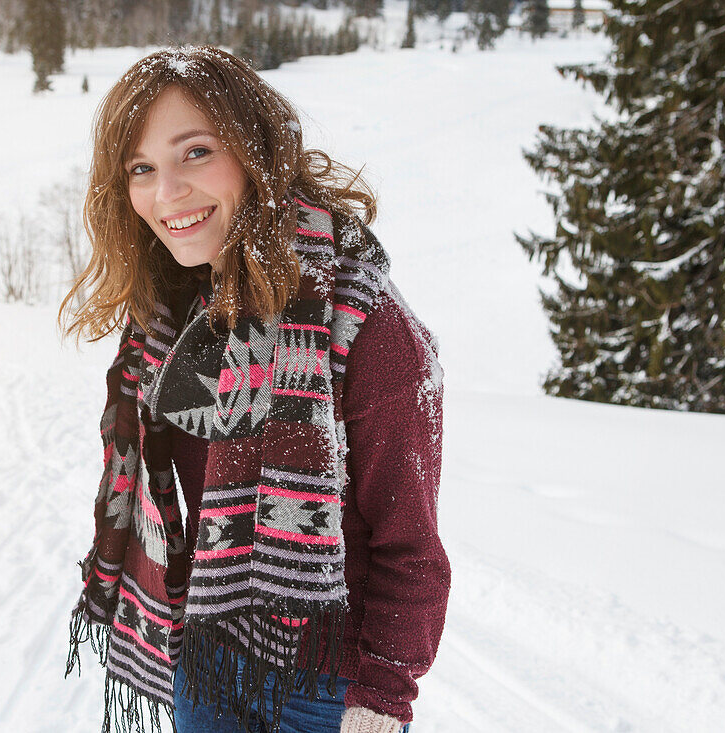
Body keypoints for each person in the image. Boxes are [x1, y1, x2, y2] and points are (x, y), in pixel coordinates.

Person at [60, 45, 449, 733]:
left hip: (324, 686)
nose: (166, 192)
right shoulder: (168, 312)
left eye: (196, 152)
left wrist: (383, 697)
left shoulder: (362, 322)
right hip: (206, 661)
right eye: (141, 168)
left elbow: (409, 542)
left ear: (254, 150)